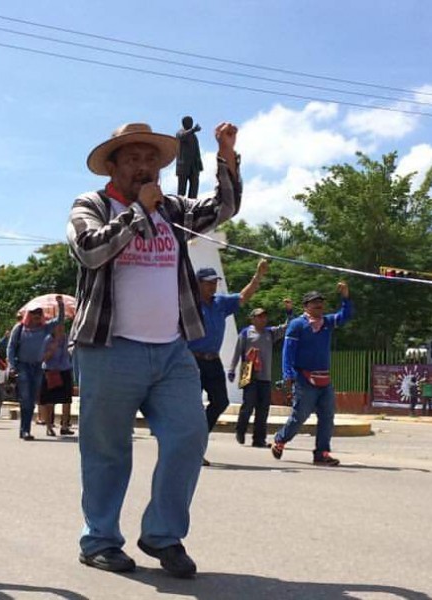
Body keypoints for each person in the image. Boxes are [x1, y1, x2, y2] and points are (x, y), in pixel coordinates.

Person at [68, 121, 241, 577]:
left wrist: (226, 156)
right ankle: (100, 540)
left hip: (170, 350)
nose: (145, 167)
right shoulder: (93, 205)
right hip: (110, 349)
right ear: (114, 166)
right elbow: (89, 250)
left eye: (151, 160)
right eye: (133, 159)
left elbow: (224, 208)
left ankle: (162, 534)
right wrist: (138, 213)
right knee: (107, 450)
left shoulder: (173, 209)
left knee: (188, 436)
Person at [189, 259, 268, 465]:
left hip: (213, 360)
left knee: (221, 401)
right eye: (208, 282)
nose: (213, 286)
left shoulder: (220, 303)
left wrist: (257, 276)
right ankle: (189, 450)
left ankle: (196, 443)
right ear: (197, 283)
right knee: (192, 407)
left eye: (215, 282)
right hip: (191, 360)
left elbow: (243, 296)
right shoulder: (189, 304)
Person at [272, 283, 352, 466]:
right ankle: (280, 440)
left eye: (321, 302)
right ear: (306, 306)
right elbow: (288, 351)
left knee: (327, 416)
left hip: (324, 378)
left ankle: (321, 453)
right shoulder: (297, 325)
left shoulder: (327, 322)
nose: (319, 306)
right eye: (314, 303)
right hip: (304, 378)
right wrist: (288, 375)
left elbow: (346, 315)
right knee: (300, 416)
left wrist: (346, 297)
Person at [228, 299, 293, 448]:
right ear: (252, 318)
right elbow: (238, 351)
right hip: (249, 374)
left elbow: (287, 327)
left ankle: (259, 439)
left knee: (263, 409)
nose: (263, 319)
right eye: (259, 316)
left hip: (265, 376)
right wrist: (232, 369)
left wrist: (289, 311)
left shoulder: (270, 333)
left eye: (264, 316)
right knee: (248, 405)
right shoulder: (246, 333)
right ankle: (240, 430)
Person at [7, 297, 65, 441]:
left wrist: (60, 305)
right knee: (25, 398)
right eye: (34, 313)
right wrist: (12, 366)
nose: (37, 315)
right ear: (29, 314)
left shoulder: (45, 328)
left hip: (38, 367)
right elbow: (11, 347)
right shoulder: (20, 328)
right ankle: (25, 430)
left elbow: (60, 320)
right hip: (23, 366)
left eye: (39, 313)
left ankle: (25, 430)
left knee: (32, 399)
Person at [40, 321, 75, 437]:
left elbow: (69, 352)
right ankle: (49, 426)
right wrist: (53, 347)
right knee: (50, 401)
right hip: (51, 371)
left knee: (66, 399)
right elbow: (43, 358)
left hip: (64, 369)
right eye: (58, 327)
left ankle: (65, 426)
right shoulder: (47, 339)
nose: (61, 329)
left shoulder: (65, 338)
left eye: (62, 326)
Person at [175, 116, 202, 198]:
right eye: (189, 122)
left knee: (194, 186)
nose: (191, 124)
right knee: (181, 189)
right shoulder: (180, 132)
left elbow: (197, 151)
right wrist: (193, 130)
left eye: (191, 122)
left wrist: (199, 164)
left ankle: (192, 203)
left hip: (194, 166)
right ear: (184, 123)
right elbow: (182, 136)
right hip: (184, 165)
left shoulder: (194, 136)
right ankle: (180, 204)